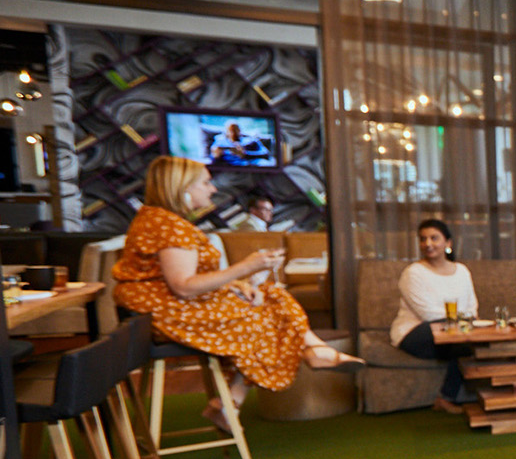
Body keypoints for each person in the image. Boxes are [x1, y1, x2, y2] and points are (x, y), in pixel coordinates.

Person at [114, 157, 362, 431]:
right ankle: (247, 389)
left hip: (164, 308)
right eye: (205, 183)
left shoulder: (158, 220)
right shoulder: (169, 226)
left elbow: (173, 280)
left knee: (272, 297)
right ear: (182, 187)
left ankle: (307, 355)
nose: (212, 189)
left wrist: (236, 285)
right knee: (266, 318)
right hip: (166, 314)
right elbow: (183, 286)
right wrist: (246, 267)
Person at [391, 219, 479, 415]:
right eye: (423, 239)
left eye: (434, 238)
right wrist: (463, 321)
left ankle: (448, 398)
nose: (428, 244)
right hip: (415, 333)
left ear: (448, 243)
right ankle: (446, 399)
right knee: (461, 338)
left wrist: (464, 321)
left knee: (470, 344)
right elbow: (428, 314)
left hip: (454, 333)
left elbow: (472, 307)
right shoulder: (413, 273)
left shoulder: (462, 271)